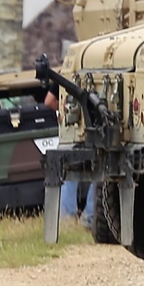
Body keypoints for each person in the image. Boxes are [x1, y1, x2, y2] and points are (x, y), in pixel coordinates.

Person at [46, 82, 96, 228]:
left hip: (73, 129)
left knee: (68, 175)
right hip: (97, 130)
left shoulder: (66, 75)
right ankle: (90, 218)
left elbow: (49, 101)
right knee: (100, 176)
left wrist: (64, 111)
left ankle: (67, 220)